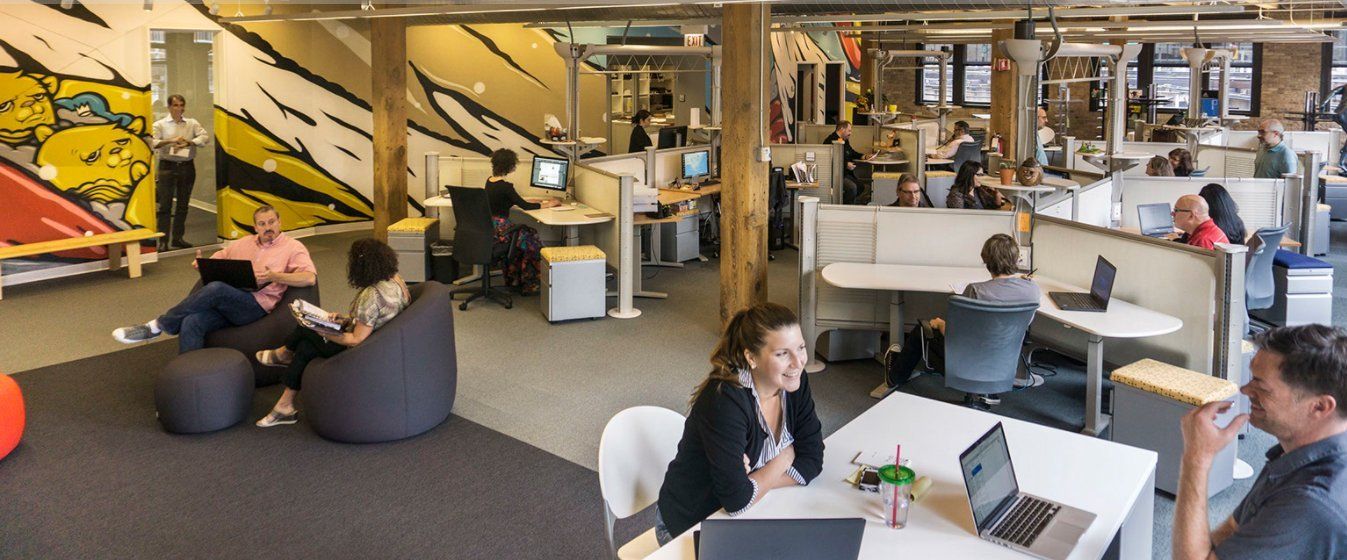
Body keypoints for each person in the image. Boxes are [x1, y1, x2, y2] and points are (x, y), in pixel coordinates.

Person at [655, 302, 825, 544]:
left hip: (745, 514)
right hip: (691, 524)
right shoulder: (725, 400)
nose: (798, 363)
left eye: (801, 348)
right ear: (751, 357)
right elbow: (736, 501)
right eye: (782, 353)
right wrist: (784, 459)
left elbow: (813, 460)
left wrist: (755, 482)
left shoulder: (793, 382)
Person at [1173, 325, 1347, 560]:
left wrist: (1196, 458)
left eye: (1260, 386)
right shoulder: (1297, 453)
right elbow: (1235, 530)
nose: (1245, 390)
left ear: (1319, 407)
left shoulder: (1310, 503)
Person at [112, 206, 317, 353]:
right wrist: (203, 264)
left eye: (272, 222)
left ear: (280, 222)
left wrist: (275, 276)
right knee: (192, 322)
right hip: (233, 300)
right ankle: (187, 380)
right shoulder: (245, 243)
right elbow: (221, 256)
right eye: (262, 224)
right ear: (255, 227)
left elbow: (309, 278)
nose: (268, 227)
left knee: (217, 288)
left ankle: (156, 326)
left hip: (255, 306)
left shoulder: (293, 247)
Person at [253, 238, 410, 427]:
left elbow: (355, 339)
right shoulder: (395, 280)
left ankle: (284, 354)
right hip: (377, 340)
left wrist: (324, 332)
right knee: (305, 347)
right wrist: (346, 320)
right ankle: (284, 405)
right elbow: (374, 319)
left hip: (361, 351)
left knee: (306, 329)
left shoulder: (372, 295)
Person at [880, 234, 1042, 406]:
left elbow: (956, 334)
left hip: (965, 363)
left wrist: (940, 324)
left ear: (986, 261)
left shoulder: (976, 291)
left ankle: (894, 376)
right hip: (1003, 364)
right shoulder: (1032, 290)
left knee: (922, 329)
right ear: (1016, 259)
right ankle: (984, 390)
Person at [484, 149, 558, 295]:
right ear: (510, 167)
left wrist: (533, 200)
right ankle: (531, 282)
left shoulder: (489, 182)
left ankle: (516, 279)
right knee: (532, 238)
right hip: (503, 231)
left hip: (490, 228)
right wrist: (549, 204)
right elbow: (525, 206)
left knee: (524, 238)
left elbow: (509, 201)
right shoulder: (506, 187)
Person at [152, 94, 211, 252]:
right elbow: (153, 142)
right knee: (165, 206)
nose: (179, 108)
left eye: (181, 105)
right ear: (169, 107)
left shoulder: (192, 123)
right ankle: (163, 241)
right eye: (176, 105)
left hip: (186, 166)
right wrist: (171, 140)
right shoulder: (160, 124)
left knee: (183, 205)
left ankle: (178, 238)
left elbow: (205, 138)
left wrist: (190, 142)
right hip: (167, 167)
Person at [823, 120, 871, 204]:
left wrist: (863, 156)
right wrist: (845, 164)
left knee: (861, 187)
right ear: (842, 129)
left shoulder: (844, 139)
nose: (850, 133)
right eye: (849, 130)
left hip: (845, 174)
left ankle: (850, 204)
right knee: (852, 188)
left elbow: (851, 152)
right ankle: (845, 207)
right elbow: (830, 160)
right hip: (835, 175)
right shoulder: (830, 141)